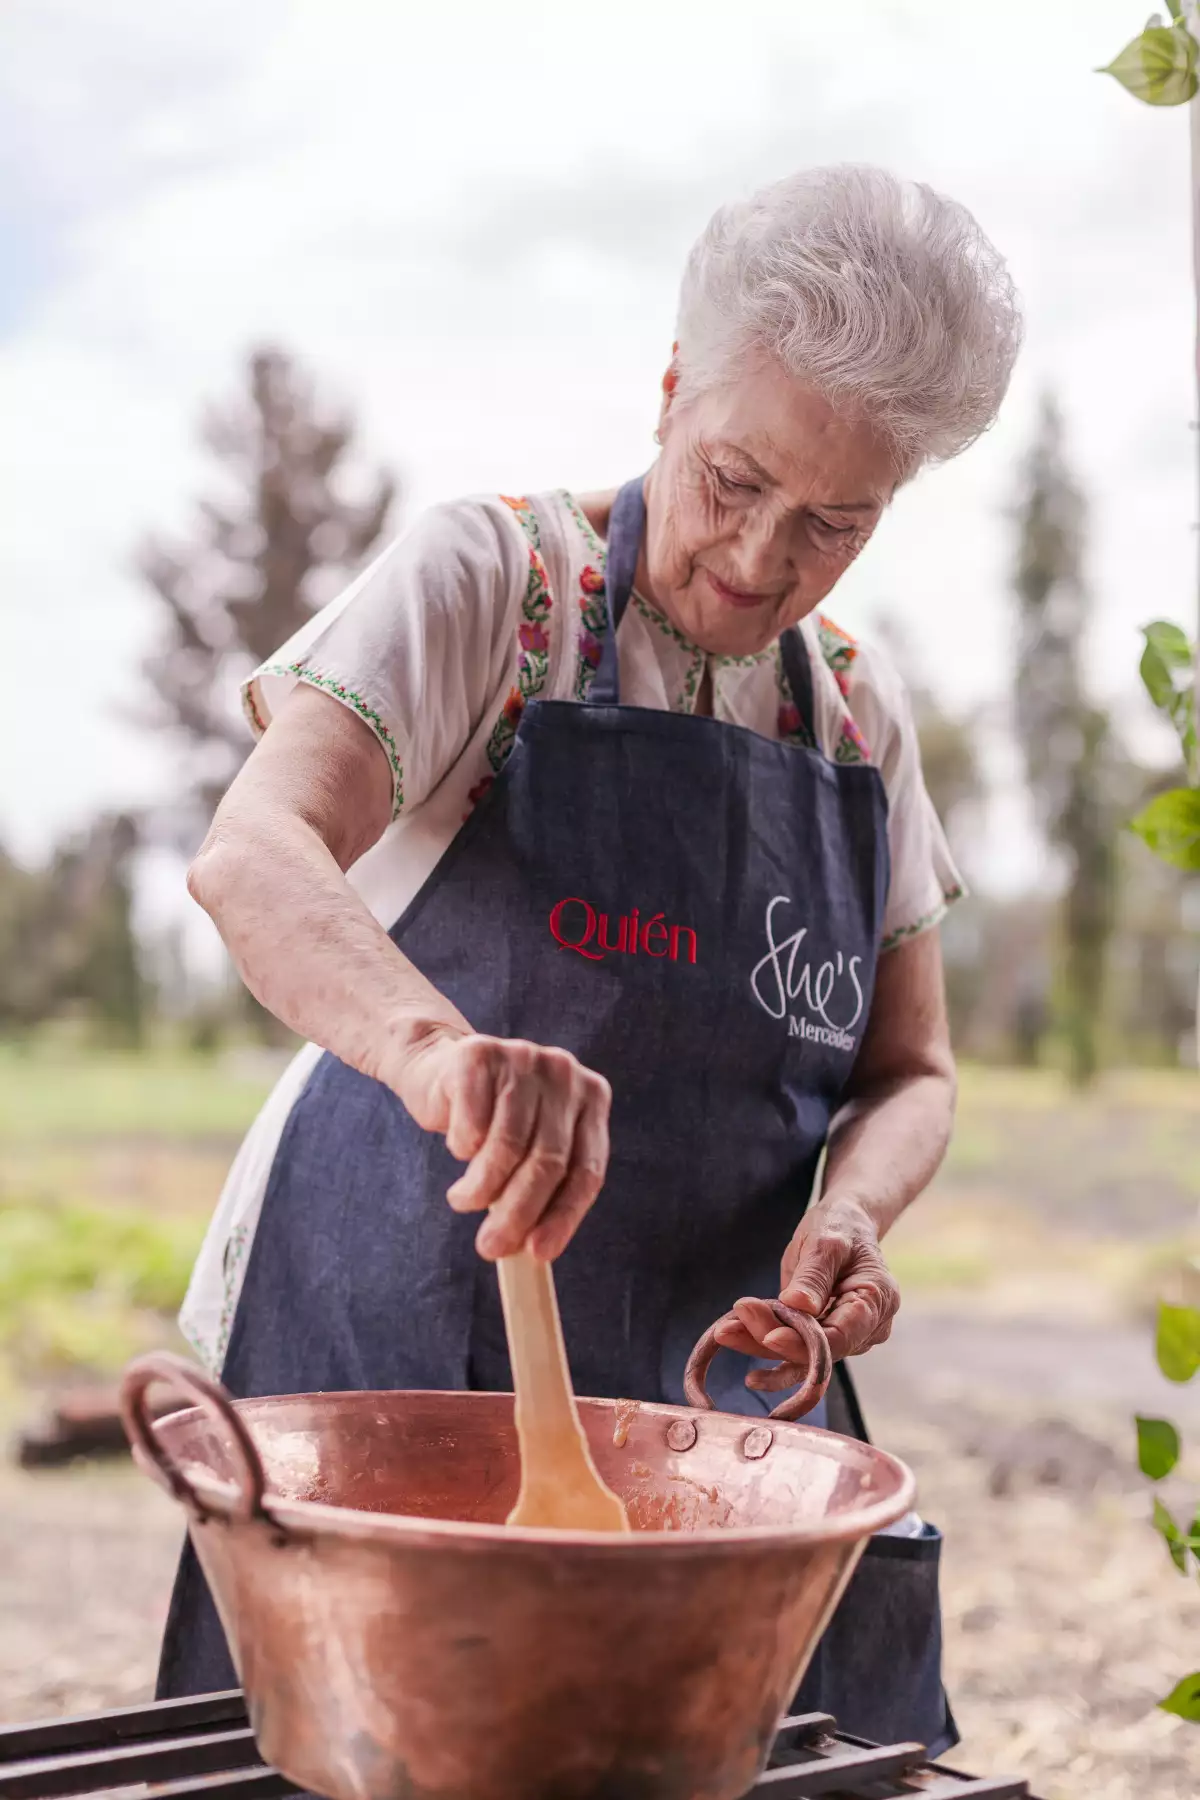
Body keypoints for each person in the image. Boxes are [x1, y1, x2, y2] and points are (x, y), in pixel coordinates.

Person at [161, 164, 1021, 1753]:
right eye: (732, 481)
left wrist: (848, 1215)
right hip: (409, 1338)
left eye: (837, 523)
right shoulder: (495, 589)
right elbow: (253, 855)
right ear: (674, 387)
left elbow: (911, 1071)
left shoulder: (853, 712)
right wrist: (435, 1050)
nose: (764, 561)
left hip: (717, 1405)